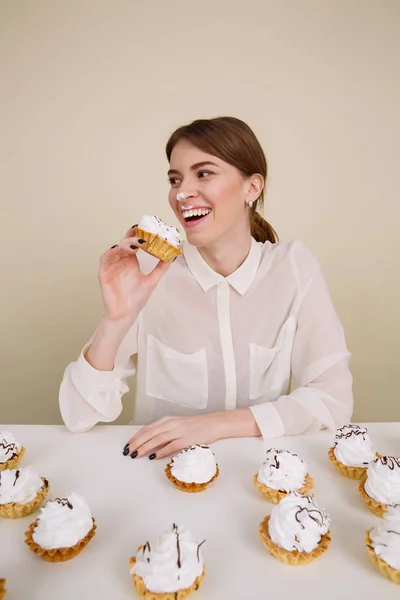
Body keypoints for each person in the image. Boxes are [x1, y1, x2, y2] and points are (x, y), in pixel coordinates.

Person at [59, 116, 353, 460]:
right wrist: (116, 319)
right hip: (158, 476)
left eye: (204, 173)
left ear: (252, 187)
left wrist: (215, 425)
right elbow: (78, 417)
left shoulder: (293, 267)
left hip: (259, 475)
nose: (182, 193)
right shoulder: (150, 276)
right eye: (174, 179)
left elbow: (333, 399)